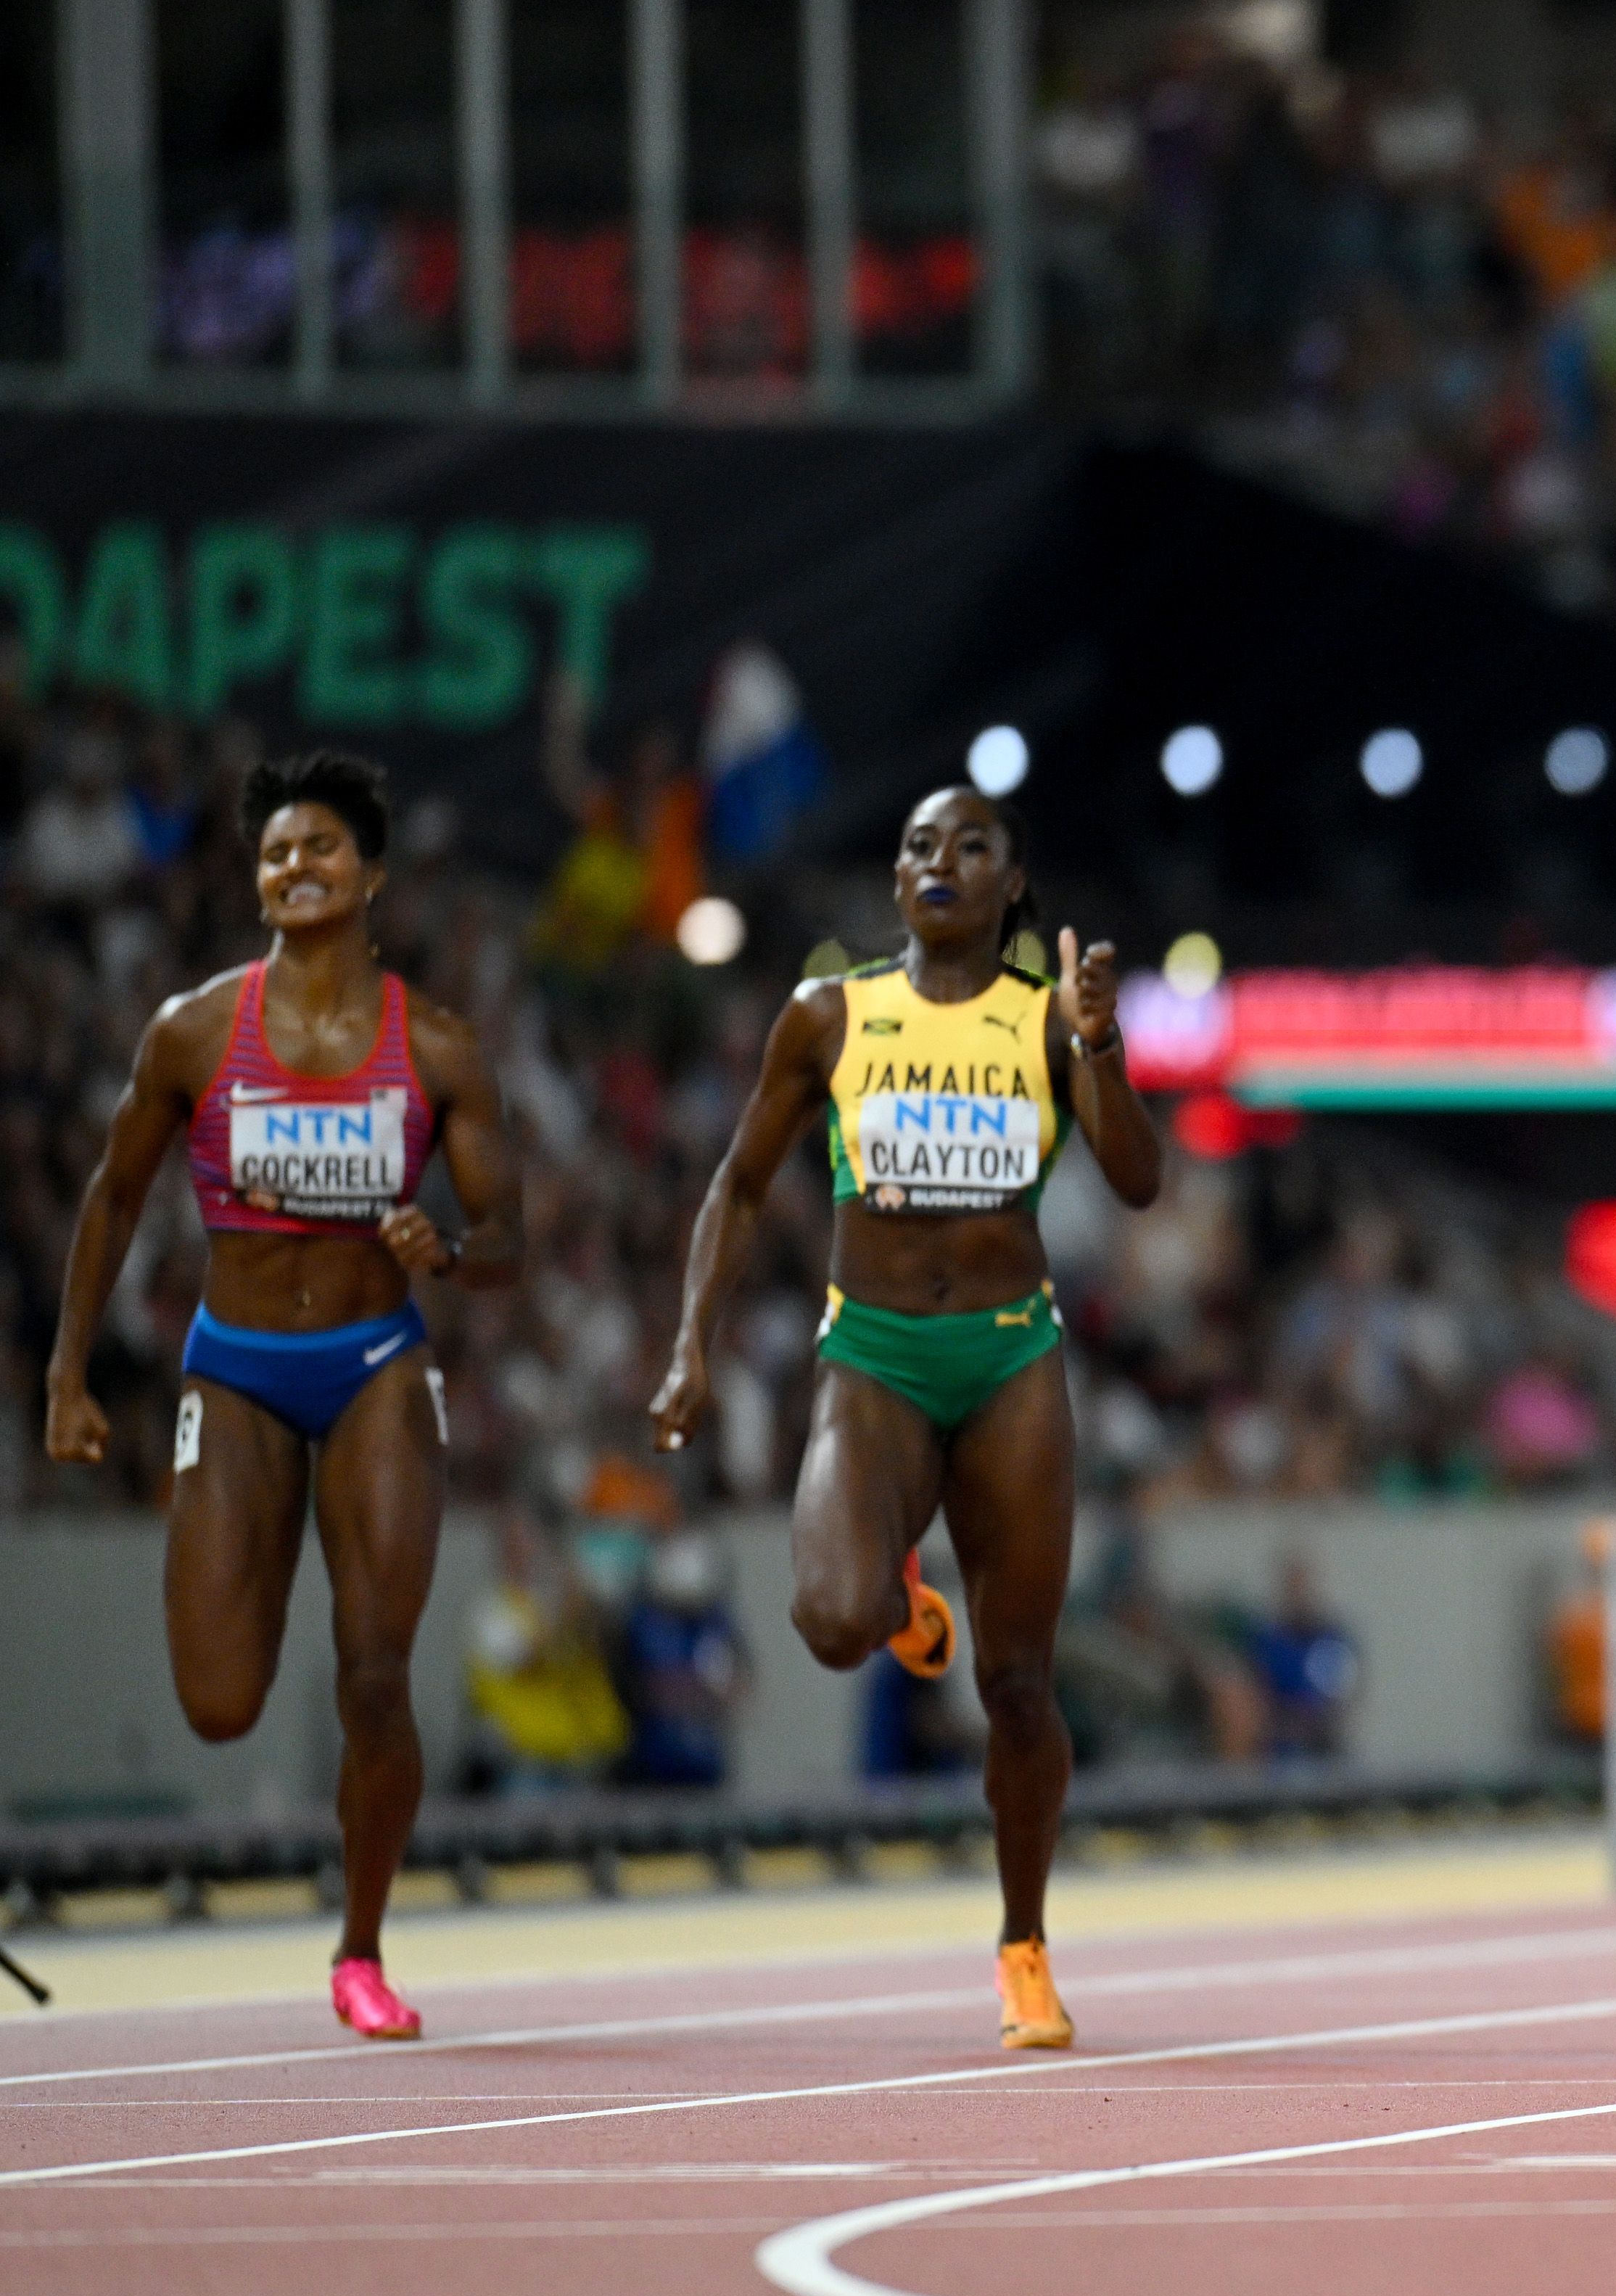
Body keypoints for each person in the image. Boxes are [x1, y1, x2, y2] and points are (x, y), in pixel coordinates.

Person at [648, 786, 1163, 2047]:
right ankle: (903, 1604)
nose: (942, 861)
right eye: (920, 845)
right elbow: (738, 1180)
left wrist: (1099, 1046)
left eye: (971, 845)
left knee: (1022, 1689)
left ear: (1011, 882)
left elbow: (1138, 1183)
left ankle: (1024, 1946)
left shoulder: (1046, 1020)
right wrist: (688, 1350)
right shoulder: (831, 1014)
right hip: (871, 1356)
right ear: (895, 881)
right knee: (833, 1620)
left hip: (1008, 1365)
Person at [44, 749, 524, 2041]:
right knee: (219, 1703)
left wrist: (451, 1252)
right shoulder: (197, 1029)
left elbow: (510, 1241)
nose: (294, 867)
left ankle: (360, 1951)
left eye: (320, 849)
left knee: (374, 1675)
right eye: (274, 853)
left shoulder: (435, 1045)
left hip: (374, 1364)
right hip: (237, 1366)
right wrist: (68, 1370)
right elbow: (113, 1196)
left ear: (369, 876)